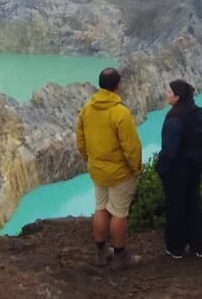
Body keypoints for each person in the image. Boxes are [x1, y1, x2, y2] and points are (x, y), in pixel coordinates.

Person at [75, 67, 142, 271]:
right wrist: (136, 169)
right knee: (119, 213)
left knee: (101, 208)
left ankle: (101, 252)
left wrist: (89, 159)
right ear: (117, 85)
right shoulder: (120, 112)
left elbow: (81, 139)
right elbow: (131, 146)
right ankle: (121, 256)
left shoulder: (87, 108)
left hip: (97, 170)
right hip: (120, 173)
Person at [155, 79, 202, 259]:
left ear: (177, 97)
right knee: (193, 204)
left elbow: (169, 151)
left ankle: (176, 247)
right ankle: (199, 246)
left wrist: (161, 169)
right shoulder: (195, 112)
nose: (166, 94)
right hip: (194, 167)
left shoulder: (174, 119)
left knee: (175, 206)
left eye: (169, 92)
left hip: (177, 170)